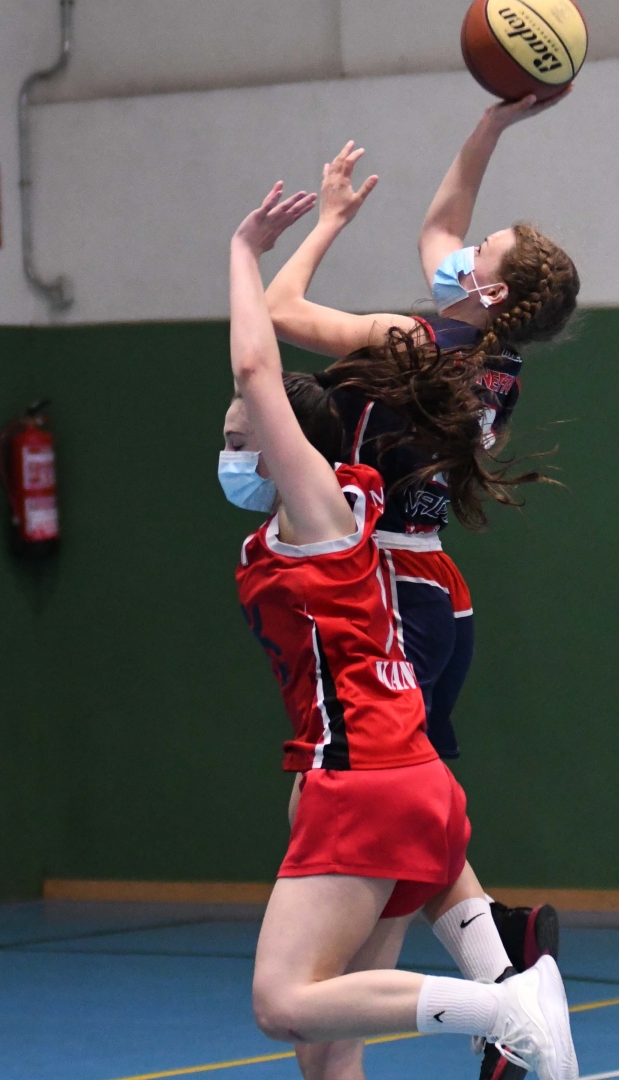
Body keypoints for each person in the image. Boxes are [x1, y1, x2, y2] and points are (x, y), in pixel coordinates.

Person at [226, 181, 578, 1080]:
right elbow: (440, 234)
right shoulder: (483, 366)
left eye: (237, 437)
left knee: (292, 1001)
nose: (230, 448)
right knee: (325, 1033)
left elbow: (263, 355)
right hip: (419, 689)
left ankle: (505, 995)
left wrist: (252, 248)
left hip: (368, 758)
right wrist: (488, 126)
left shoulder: (329, 513)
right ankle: (500, 959)